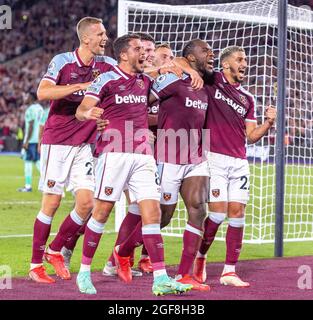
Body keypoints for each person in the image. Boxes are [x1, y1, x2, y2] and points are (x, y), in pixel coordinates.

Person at [75, 34, 192, 296]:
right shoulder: (105, 79)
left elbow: (167, 69)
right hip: (114, 153)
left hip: (143, 155)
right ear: (124, 54)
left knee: (153, 212)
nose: (145, 53)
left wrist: (179, 66)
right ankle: (83, 272)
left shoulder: (145, 80)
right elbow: (81, 110)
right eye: (138, 49)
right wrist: (89, 113)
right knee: (102, 212)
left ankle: (160, 278)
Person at [115, 39, 214, 292]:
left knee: (198, 210)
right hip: (168, 156)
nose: (210, 54)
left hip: (197, 157)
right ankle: (122, 251)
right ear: (191, 58)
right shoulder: (172, 79)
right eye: (205, 51)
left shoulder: (208, 84)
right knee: (163, 217)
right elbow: (140, 101)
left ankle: (183, 275)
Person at [28, 16, 116, 284]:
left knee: (87, 203)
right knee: (51, 203)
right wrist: (80, 86)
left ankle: (55, 249)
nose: (105, 38)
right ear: (86, 38)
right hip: (58, 141)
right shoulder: (63, 61)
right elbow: (43, 93)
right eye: (101, 34)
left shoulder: (107, 64)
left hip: (83, 145)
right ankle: (35, 265)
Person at [193, 45, 277, 287]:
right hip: (213, 158)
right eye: (240, 59)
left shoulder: (248, 98)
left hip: (239, 161)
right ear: (226, 64)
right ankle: (201, 257)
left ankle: (229, 271)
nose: (245, 63)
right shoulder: (212, 80)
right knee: (217, 213)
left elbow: (251, 136)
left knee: (238, 214)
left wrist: (269, 123)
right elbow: (183, 63)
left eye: (246, 60)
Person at [17, 92, 43, 192]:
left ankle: (28, 186)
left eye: (27, 96)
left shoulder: (30, 109)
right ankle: (47, 182)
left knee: (28, 162)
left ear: (31, 98)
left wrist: (26, 141)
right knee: (37, 161)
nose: (25, 98)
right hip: (38, 138)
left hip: (31, 140)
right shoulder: (40, 108)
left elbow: (31, 125)